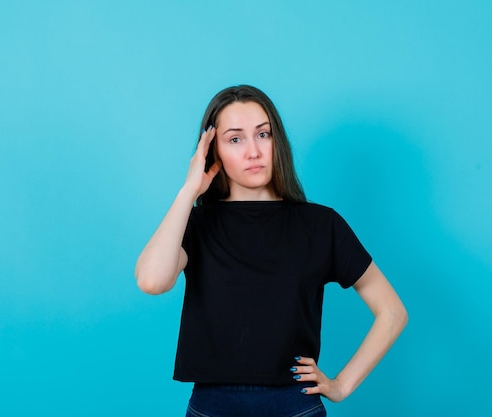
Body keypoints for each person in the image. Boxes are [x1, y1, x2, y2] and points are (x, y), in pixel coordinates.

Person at [135, 85, 407, 417]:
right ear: (213, 152)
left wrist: (342, 384)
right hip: (212, 406)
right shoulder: (197, 225)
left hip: (295, 405)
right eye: (235, 139)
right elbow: (152, 281)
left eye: (262, 134)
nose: (253, 151)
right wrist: (189, 189)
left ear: (276, 140)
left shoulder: (321, 225)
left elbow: (392, 311)